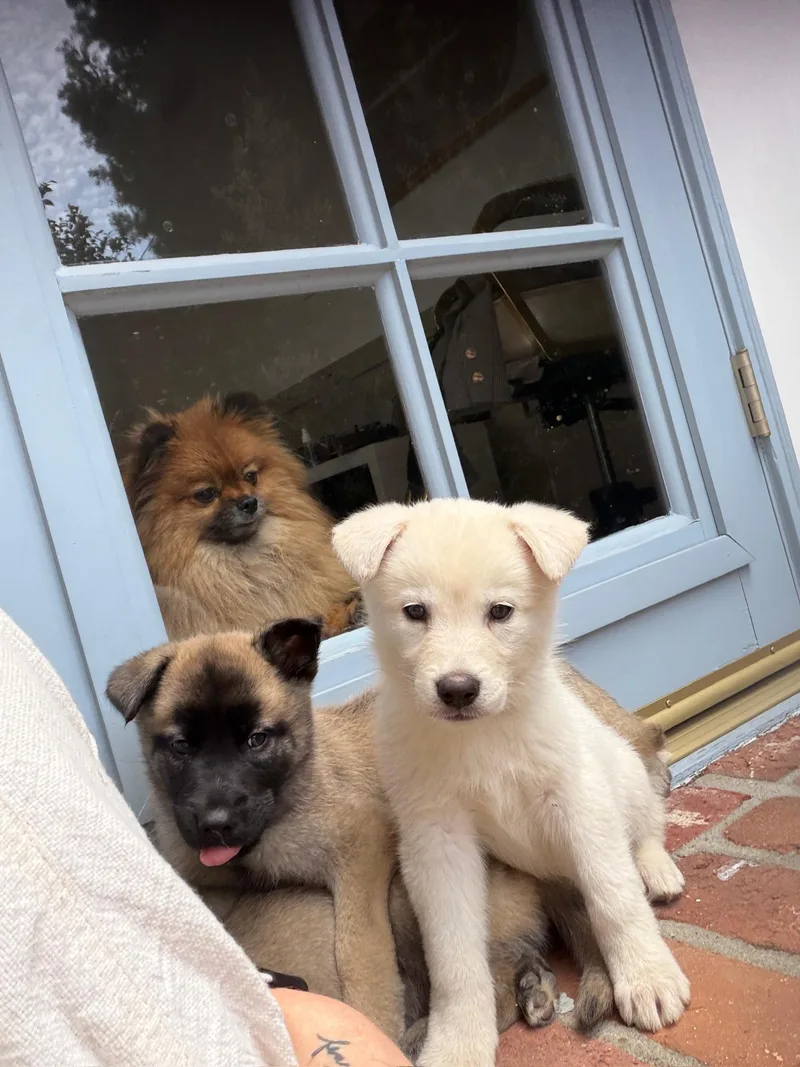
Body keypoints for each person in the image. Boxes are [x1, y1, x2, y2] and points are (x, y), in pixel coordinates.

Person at [0, 607, 410, 1067]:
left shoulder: (309, 809)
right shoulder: (178, 840)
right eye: (181, 747)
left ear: (299, 673)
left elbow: (367, 836)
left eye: (256, 740)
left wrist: (367, 989)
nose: (215, 810)